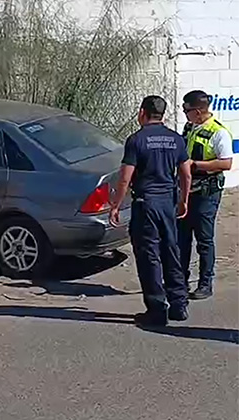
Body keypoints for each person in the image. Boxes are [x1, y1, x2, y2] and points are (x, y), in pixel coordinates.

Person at [110, 95, 192, 327]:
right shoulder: (176, 139)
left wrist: (115, 205)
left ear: (142, 112)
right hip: (168, 202)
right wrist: (184, 201)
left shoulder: (136, 140)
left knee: (149, 256)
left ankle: (156, 309)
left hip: (146, 204)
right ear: (162, 114)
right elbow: (186, 174)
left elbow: (125, 178)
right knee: (171, 252)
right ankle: (179, 304)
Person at [177, 90, 234, 300]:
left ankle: (205, 283)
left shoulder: (218, 133)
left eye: (187, 110)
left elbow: (226, 163)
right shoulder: (190, 127)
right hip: (185, 190)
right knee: (181, 238)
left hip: (206, 193)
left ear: (199, 111)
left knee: (204, 240)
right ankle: (180, 280)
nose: (184, 114)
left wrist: (195, 165)